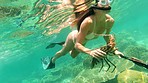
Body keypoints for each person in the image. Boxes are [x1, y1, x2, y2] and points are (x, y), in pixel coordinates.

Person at [42, 0, 123, 69]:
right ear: (95, 8)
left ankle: (63, 44)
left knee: (73, 55)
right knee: (63, 53)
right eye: (103, 2)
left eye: (109, 0)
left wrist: (115, 50)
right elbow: (77, 44)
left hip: (84, 39)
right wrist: (90, 52)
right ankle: (52, 60)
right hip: (74, 38)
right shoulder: (88, 22)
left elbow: (107, 36)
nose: (108, 4)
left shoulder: (110, 21)